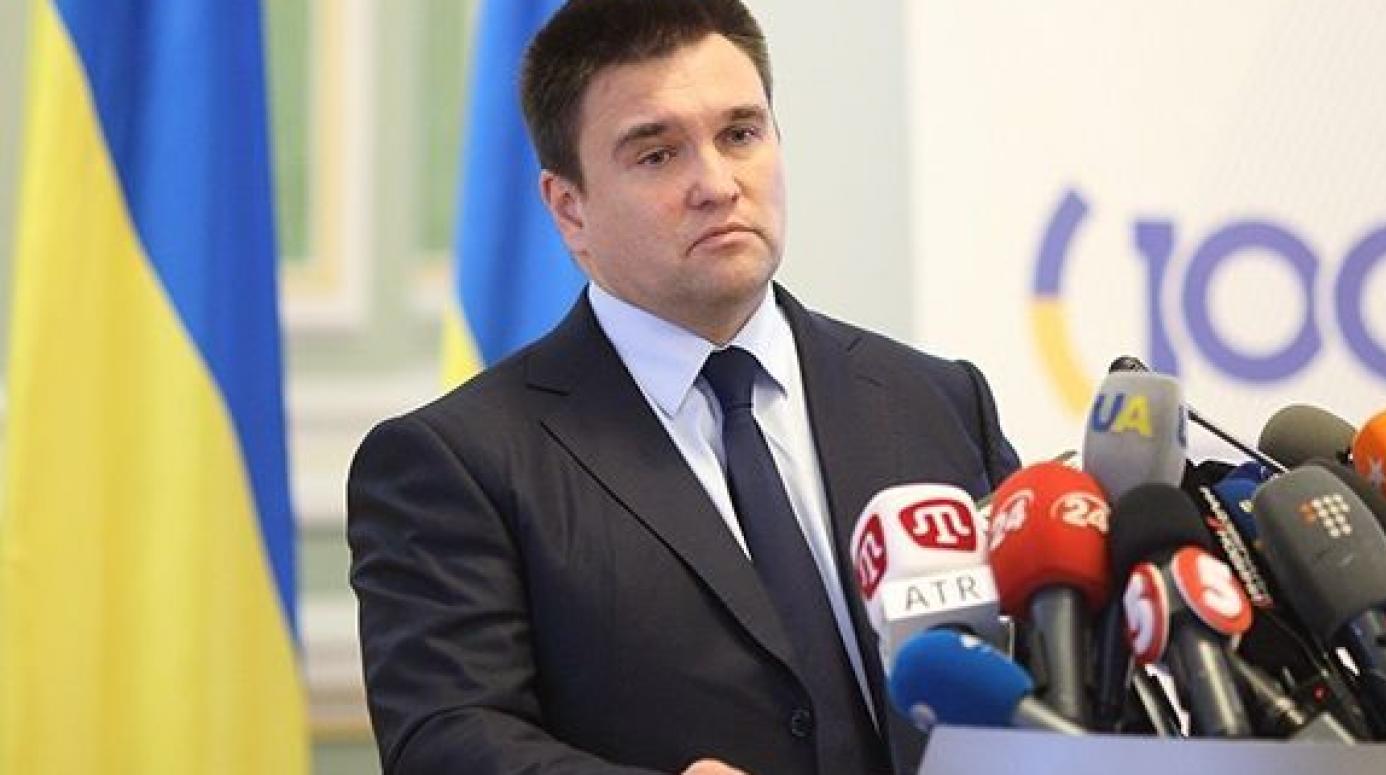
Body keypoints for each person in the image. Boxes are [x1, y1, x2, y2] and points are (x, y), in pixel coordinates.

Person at [347, 1, 1018, 772]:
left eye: (740, 134)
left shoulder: (934, 400)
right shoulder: (459, 462)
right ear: (569, 208)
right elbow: (446, 740)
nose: (717, 185)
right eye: (658, 154)